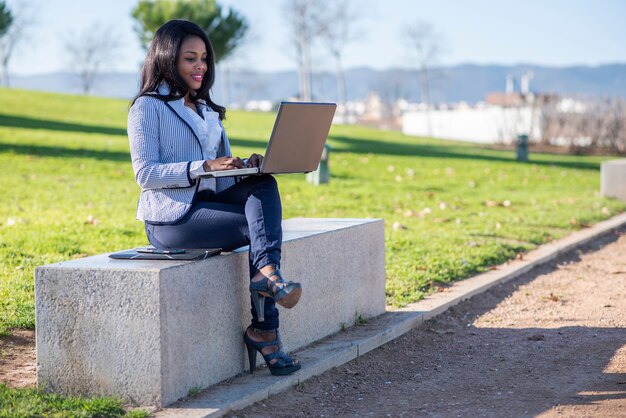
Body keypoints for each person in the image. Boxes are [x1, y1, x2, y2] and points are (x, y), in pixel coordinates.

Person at [128, 19, 302, 376]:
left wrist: (245, 168)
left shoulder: (207, 110)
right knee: (262, 231)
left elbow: (220, 180)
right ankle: (265, 330)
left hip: (208, 207)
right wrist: (201, 165)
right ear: (167, 59)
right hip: (171, 220)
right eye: (190, 58)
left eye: (204, 58)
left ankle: (266, 279)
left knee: (264, 184)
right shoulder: (147, 108)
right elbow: (145, 173)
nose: (200, 66)